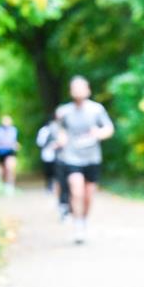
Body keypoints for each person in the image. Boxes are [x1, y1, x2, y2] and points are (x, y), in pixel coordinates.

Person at [55, 76, 114, 243]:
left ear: (88, 90)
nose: (78, 91)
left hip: (92, 158)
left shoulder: (96, 109)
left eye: (81, 87)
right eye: (75, 88)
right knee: (76, 190)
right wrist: (61, 139)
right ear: (71, 91)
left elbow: (109, 128)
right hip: (72, 157)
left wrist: (100, 133)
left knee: (88, 196)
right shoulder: (64, 111)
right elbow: (60, 130)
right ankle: (78, 225)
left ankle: (84, 220)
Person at [0, 115, 20, 195]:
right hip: (1, 153)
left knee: (10, 168)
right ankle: (4, 185)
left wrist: (15, 145)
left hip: (11, 152)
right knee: (3, 170)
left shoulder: (14, 130)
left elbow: (16, 142)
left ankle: (10, 186)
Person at [35, 116, 60, 193]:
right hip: (48, 153)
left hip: (58, 154)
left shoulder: (59, 129)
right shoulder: (44, 130)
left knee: (56, 170)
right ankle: (49, 186)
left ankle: (55, 186)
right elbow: (40, 142)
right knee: (49, 171)